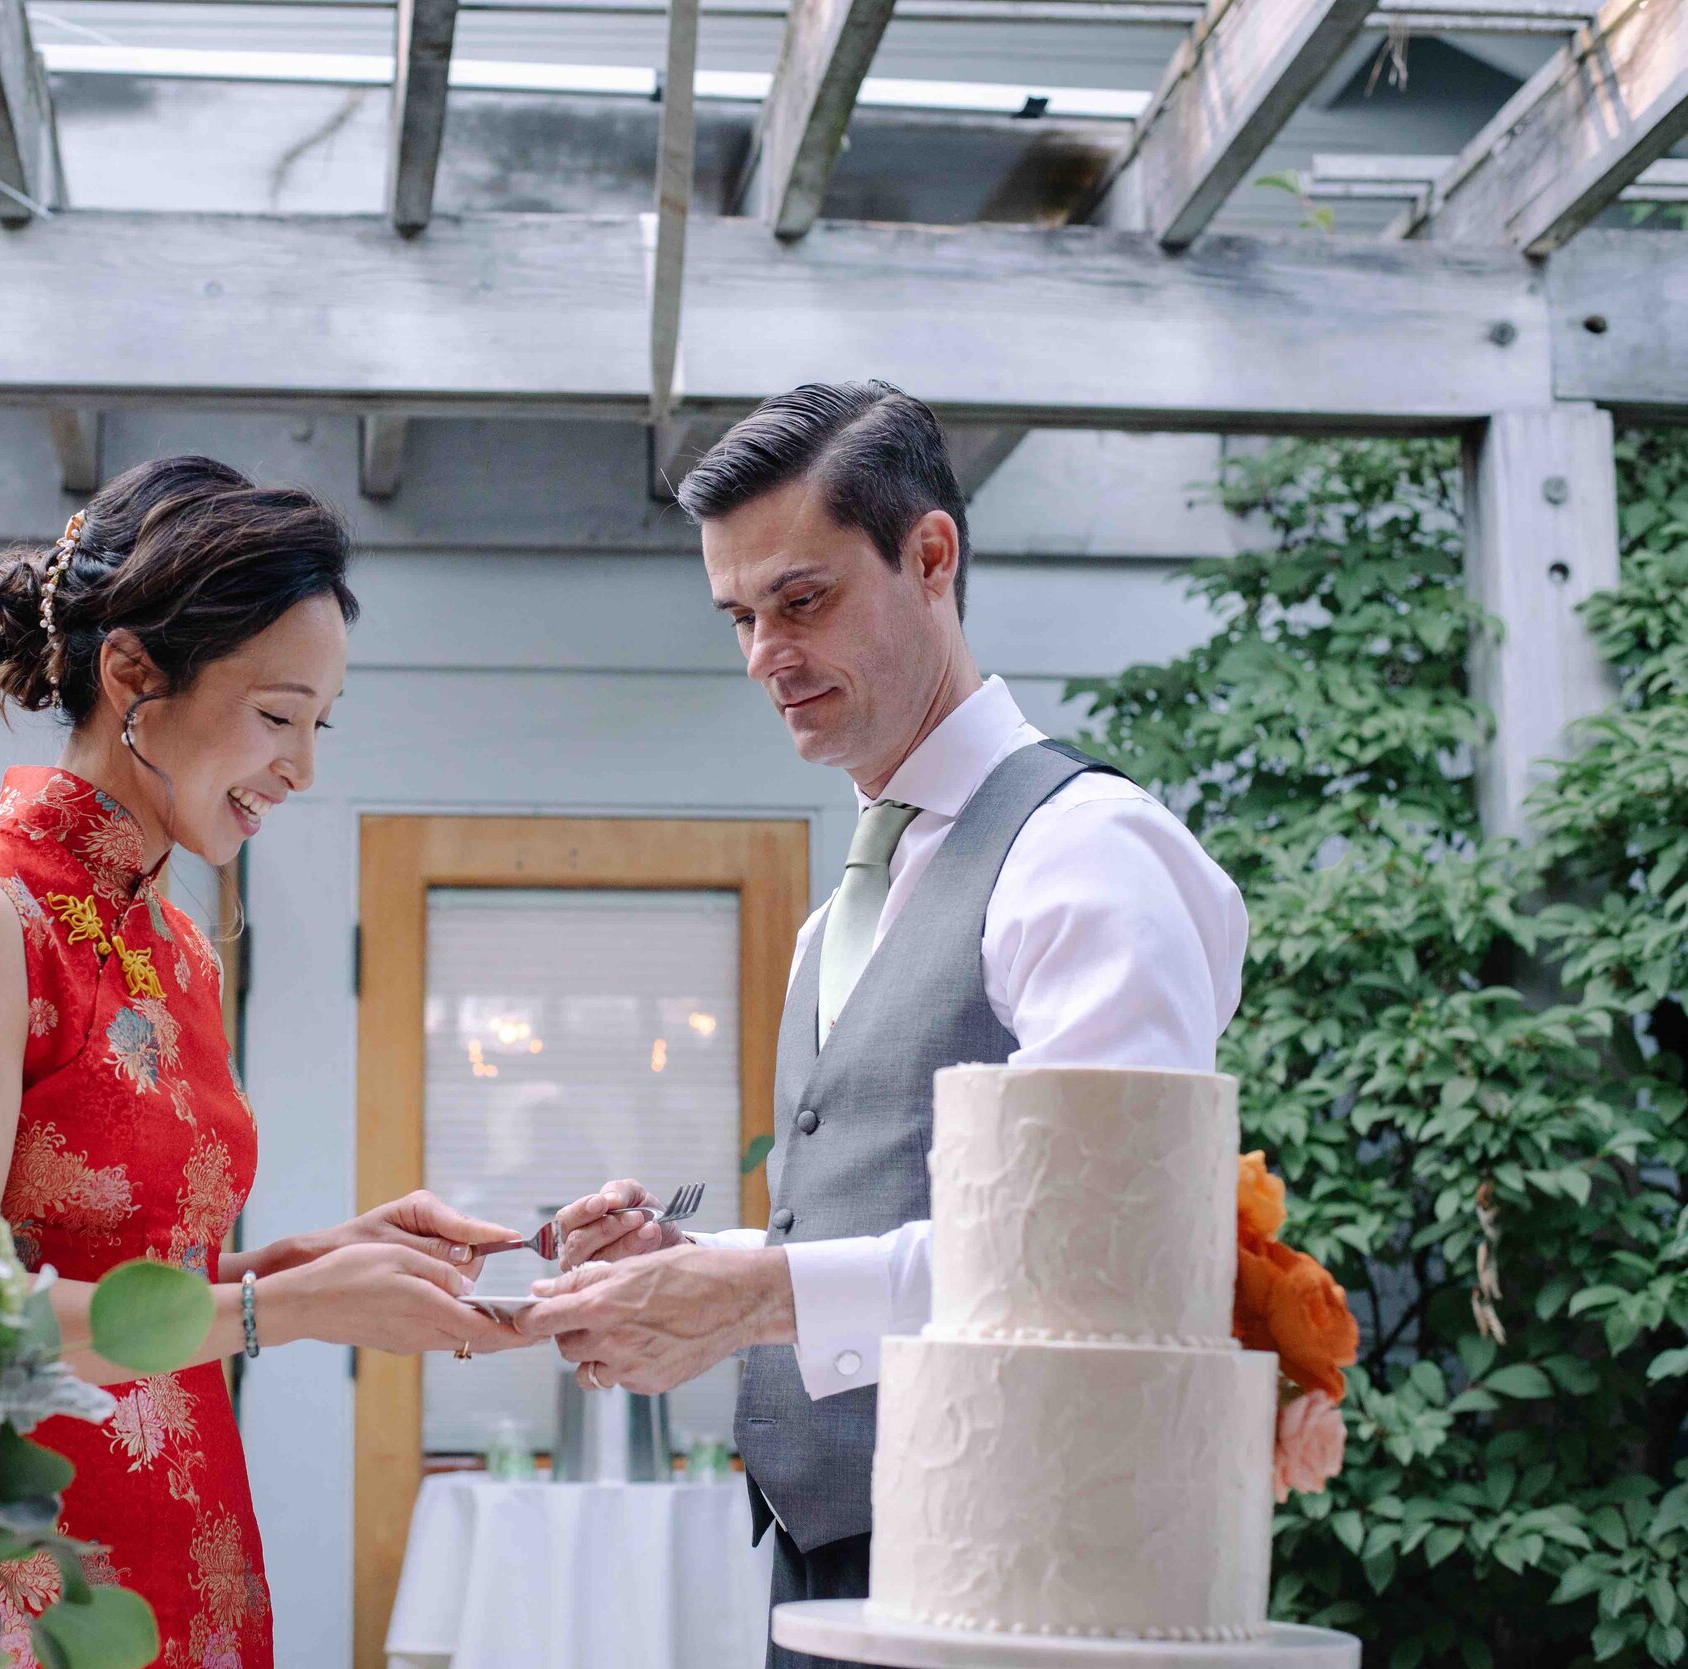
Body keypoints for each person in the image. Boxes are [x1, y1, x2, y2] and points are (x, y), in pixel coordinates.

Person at [517, 383, 1248, 1665]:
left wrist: (755, 1292)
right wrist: (693, 1269)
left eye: (800, 601)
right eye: (738, 616)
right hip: (829, 1558)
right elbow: (890, 1215)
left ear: (929, 557)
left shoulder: (1085, 854)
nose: (763, 657)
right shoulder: (847, 906)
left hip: (1026, 1566)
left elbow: (1103, 1264)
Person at [0, 456, 523, 1669]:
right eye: (277, 716)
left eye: (319, 726)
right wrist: (288, 1307)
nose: (304, 767)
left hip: (189, 1551)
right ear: (131, 673)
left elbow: (145, 1271)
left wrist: (321, 1258)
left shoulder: (176, 941)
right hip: (18, 1584)